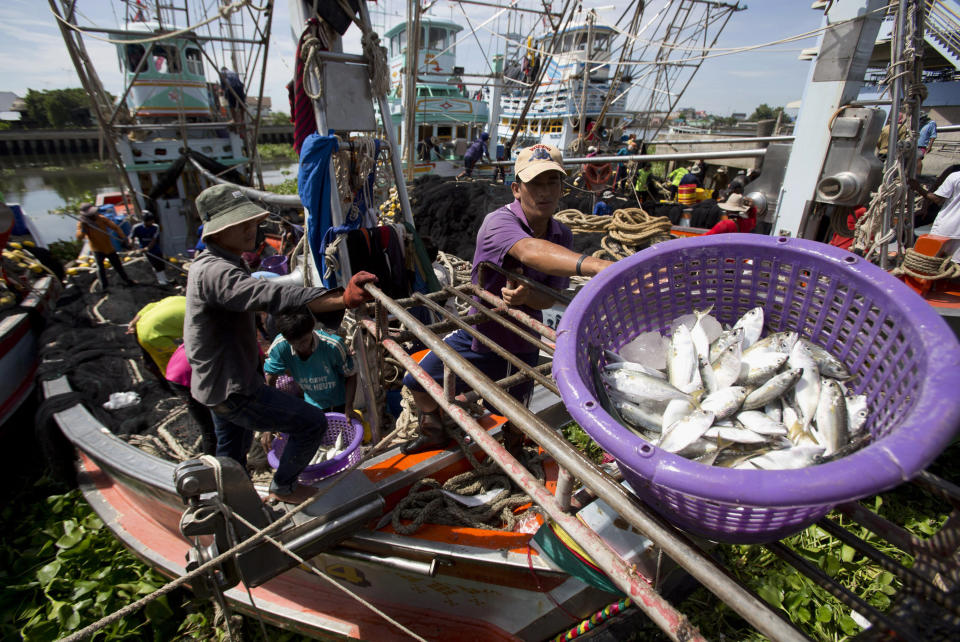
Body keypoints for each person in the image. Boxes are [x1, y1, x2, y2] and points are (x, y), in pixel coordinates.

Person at [400, 143, 614, 455]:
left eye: (552, 182)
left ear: (562, 188)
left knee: (518, 414)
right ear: (516, 189)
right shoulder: (498, 222)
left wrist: (530, 294)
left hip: (523, 338)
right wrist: (598, 265)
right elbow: (529, 251)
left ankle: (514, 449)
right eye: (535, 184)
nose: (544, 192)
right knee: (416, 381)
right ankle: (433, 428)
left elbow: (549, 298)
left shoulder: (562, 235)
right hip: (479, 333)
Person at [184, 183, 378, 501]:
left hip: (212, 386)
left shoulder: (215, 263)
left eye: (252, 222)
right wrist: (339, 298)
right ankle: (284, 486)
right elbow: (267, 294)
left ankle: (230, 501)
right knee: (311, 424)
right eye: (241, 224)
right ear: (217, 232)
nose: (253, 230)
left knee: (232, 452)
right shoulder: (216, 272)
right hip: (234, 389)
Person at [264, 307, 357, 418]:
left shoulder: (333, 345)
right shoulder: (279, 347)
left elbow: (351, 375)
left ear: (311, 329)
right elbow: (271, 378)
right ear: (286, 339)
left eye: (304, 341)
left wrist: (349, 407)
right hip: (311, 402)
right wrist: (273, 411)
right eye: (295, 343)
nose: (301, 347)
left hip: (339, 400)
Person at [76, 203, 136, 292]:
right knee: (101, 269)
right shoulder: (82, 224)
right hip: (97, 249)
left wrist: (123, 237)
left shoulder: (101, 218)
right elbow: (79, 238)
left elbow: (115, 227)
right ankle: (104, 287)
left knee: (118, 266)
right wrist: (83, 230)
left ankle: (127, 281)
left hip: (108, 247)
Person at [126, 295, 186, 379]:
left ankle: (152, 365)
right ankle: (177, 386)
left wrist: (133, 322)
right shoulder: (202, 317)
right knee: (174, 366)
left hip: (142, 323)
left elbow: (149, 306)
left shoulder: (180, 299)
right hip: (152, 337)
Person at [909, 170, 960, 263]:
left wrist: (918, 188)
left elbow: (937, 199)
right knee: (957, 266)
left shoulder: (955, 177)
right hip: (954, 231)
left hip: (946, 230)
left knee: (934, 263)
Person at [131, 211, 167, 285]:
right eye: (151, 221)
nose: (152, 222)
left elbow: (154, 240)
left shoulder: (155, 227)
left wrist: (147, 248)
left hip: (154, 249)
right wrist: (132, 246)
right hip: (144, 251)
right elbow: (131, 237)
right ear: (145, 221)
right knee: (153, 265)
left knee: (160, 264)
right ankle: (160, 281)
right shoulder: (137, 228)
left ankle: (164, 280)